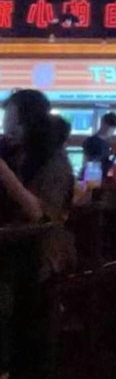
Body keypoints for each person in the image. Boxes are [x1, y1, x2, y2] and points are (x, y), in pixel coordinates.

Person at [0, 90, 75, 277]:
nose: (7, 129)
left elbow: (41, 216)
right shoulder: (12, 153)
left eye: (15, 122)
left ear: (33, 123)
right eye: (7, 121)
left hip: (38, 251)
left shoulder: (54, 161)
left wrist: (4, 173)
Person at [80, 111, 116, 181]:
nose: (111, 130)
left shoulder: (105, 142)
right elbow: (91, 163)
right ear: (103, 124)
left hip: (98, 177)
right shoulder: (92, 141)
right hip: (92, 178)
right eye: (111, 126)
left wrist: (114, 155)